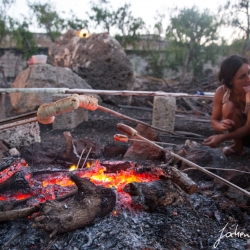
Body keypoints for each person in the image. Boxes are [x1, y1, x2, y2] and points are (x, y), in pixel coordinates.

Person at [202, 54, 250, 156]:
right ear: (230, 81)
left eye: (249, 73)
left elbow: (248, 127)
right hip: (243, 136)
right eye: (242, 76)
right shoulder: (222, 92)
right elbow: (214, 119)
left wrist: (221, 138)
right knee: (228, 106)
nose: (249, 79)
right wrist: (222, 125)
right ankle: (238, 146)